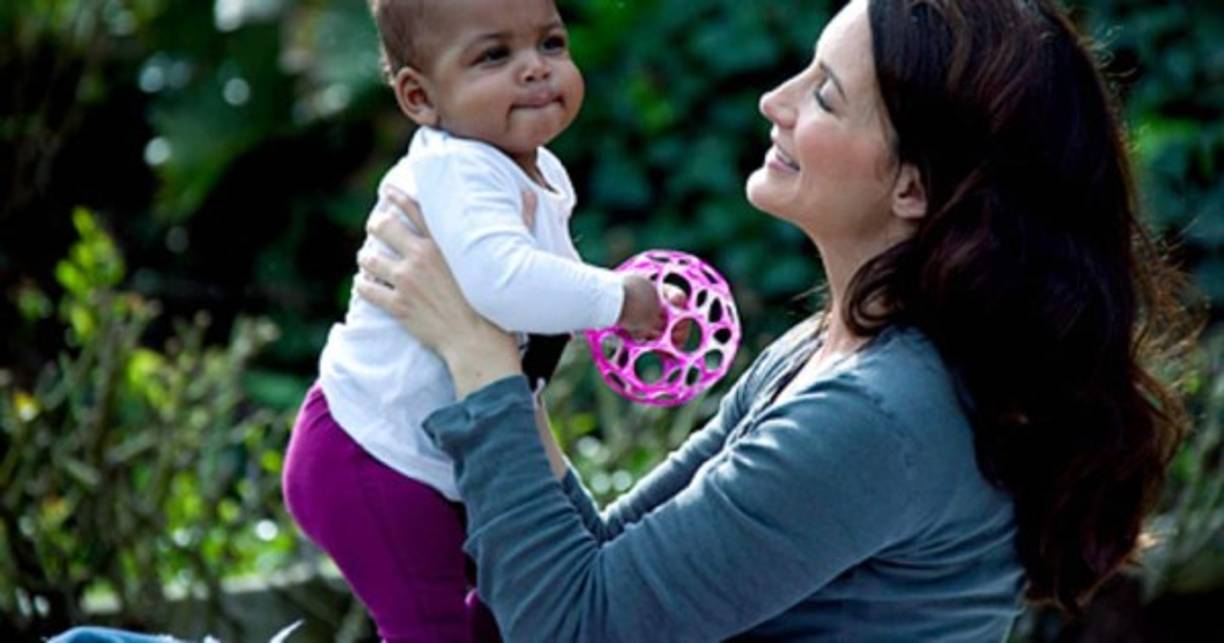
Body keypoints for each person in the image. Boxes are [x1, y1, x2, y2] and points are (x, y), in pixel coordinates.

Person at [354, 0, 1198, 640]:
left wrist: (477, 358)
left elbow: (573, 626)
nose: (774, 100)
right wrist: (508, 359)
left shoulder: (879, 413)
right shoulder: (833, 350)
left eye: (824, 96)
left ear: (914, 186)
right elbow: (612, 565)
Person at [280, 1, 670, 641]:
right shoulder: (457, 166)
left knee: (514, 603)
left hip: (433, 458)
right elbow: (504, 283)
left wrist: (619, 319)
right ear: (419, 97)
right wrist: (619, 299)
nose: (535, 70)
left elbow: (541, 291)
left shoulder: (533, 165)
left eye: (550, 43)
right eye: (495, 56)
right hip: (370, 458)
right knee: (431, 628)